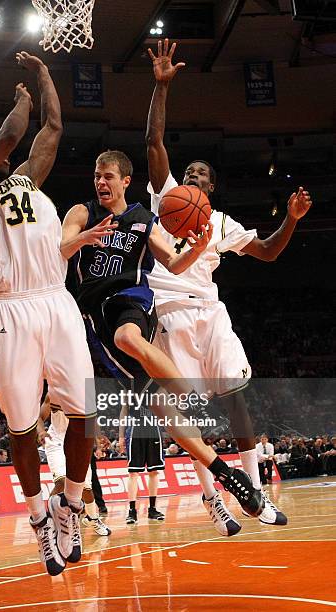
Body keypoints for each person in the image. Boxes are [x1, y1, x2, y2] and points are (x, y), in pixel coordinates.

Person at [145, 39, 312, 534]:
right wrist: (160, 90)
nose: (191, 176)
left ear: (211, 188)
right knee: (190, 410)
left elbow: (266, 251)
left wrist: (292, 220)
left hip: (211, 312)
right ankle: (211, 497)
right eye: (188, 171)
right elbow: (154, 145)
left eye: (201, 174)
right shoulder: (164, 200)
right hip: (171, 309)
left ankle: (252, 487)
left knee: (236, 395)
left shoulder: (219, 221)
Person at [0, 51, 96, 576]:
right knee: (22, 425)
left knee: (84, 412)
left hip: (56, 301)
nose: (1, 157)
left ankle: (71, 507)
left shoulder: (28, 183)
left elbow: (53, 127)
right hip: (11, 310)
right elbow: (10, 137)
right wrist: (20, 101)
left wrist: (45, 75)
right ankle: (38, 519)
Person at [61, 149, 265, 520]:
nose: (100, 182)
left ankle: (190, 397)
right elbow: (59, 250)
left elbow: (174, 261)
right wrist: (85, 237)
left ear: (125, 181)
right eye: (96, 176)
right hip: (96, 309)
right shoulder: (82, 212)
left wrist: (199, 247)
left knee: (128, 337)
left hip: (134, 303)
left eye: (107, 176)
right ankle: (228, 475)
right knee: (160, 406)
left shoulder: (143, 218)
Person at [41, 395, 111, 537]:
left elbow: (92, 419)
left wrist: (98, 439)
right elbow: (39, 417)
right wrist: (41, 431)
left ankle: (93, 518)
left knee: (86, 489)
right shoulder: (53, 394)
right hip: (57, 441)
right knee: (61, 482)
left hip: (79, 442)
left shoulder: (84, 394)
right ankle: (47, 522)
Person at [119, 402, 165, 524]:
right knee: (133, 473)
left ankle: (153, 509)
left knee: (154, 471)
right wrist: (121, 435)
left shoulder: (156, 386)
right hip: (135, 431)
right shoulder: (128, 388)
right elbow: (124, 411)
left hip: (153, 430)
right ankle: (132, 511)